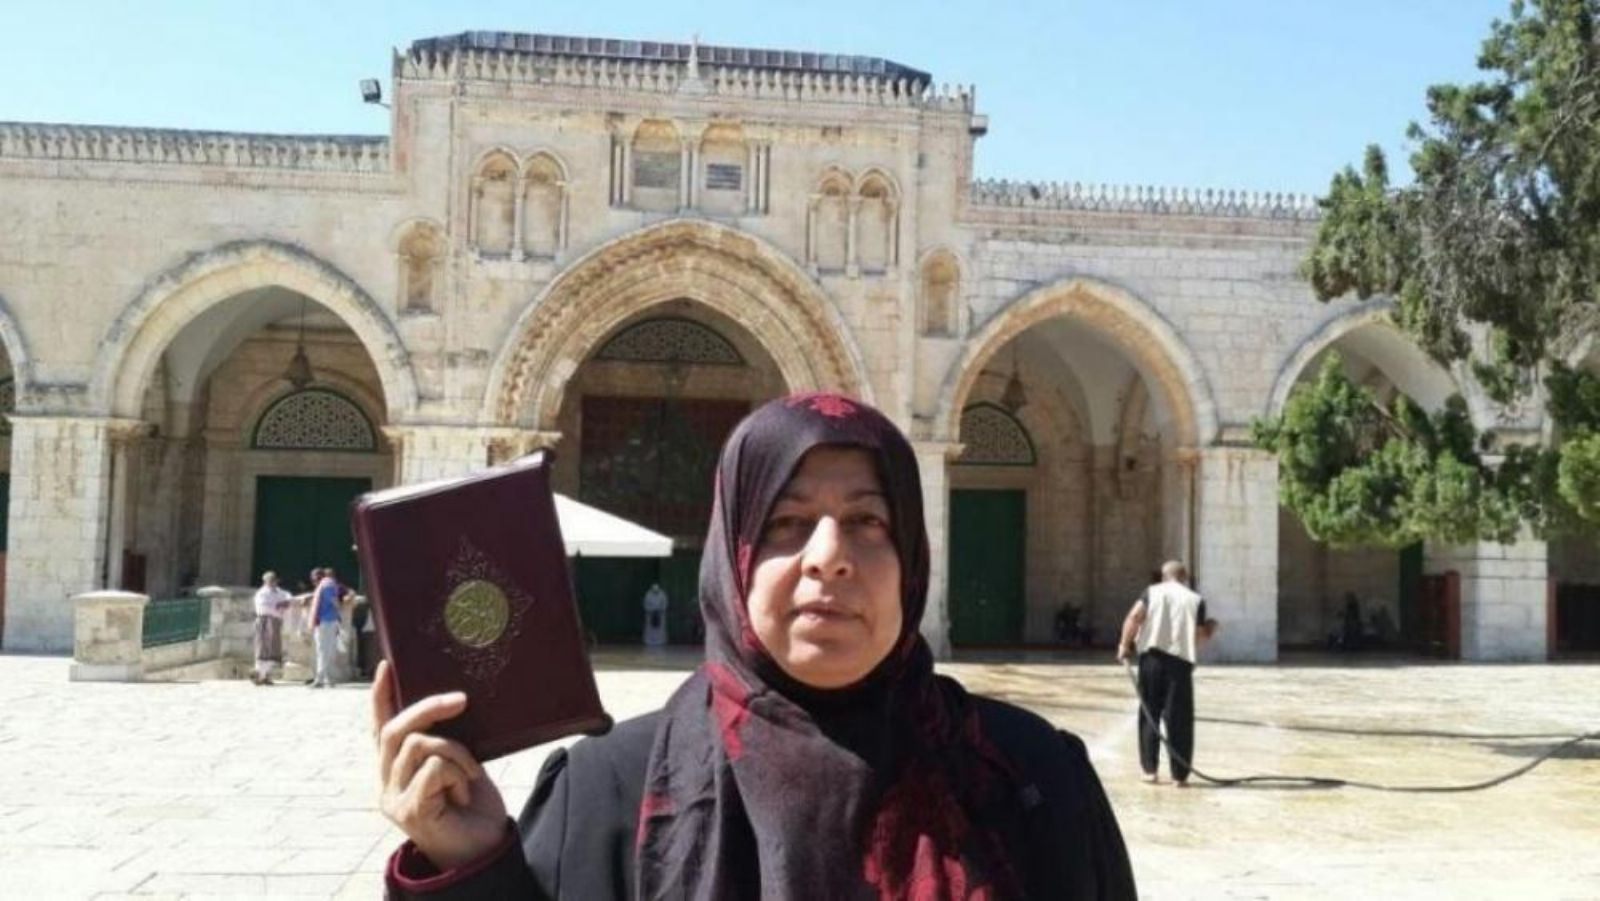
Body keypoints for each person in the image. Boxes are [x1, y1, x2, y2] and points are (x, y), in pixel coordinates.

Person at [373, 393, 1136, 899]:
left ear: (911, 557)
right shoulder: (608, 792)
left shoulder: (1032, 779)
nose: (828, 557)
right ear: (730, 560)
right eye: (785, 523)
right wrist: (467, 863)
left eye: (868, 522)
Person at [1117, 560, 1217, 787]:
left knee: (1149, 713)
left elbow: (1134, 617)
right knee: (1179, 719)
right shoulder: (1195, 600)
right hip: (1180, 664)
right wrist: (1212, 628)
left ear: (1163, 576)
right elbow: (1199, 636)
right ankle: (1179, 776)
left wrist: (1124, 645)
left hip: (1151, 660)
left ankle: (1149, 771)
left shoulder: (1151, 592)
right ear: (1185, 577)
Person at [250, 570, 292, 685]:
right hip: (265, 621)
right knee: (263, 648)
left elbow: (288, 596)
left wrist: (286, 602)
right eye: (271, 580)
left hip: (275, 622)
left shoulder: (278, 591)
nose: (273, 582)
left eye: (274, 580)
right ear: (266, 581)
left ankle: (266, 675)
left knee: (272, 649)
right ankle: (259, 674)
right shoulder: (262, 593)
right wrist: (278, 606)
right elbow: (264, 607)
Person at [308, 566, 344, 688]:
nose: (313, 581)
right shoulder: (328, 584)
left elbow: (334, 601)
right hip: (327, 621)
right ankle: (328, 678)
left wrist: (338, 612)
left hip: (326, 621)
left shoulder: (326, 585)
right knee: (327, 650)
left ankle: (320, 679)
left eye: (314, 578)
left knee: (323, 650)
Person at [641, 582, 668, 648]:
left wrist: (660, 610)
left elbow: (664, 603)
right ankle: (649, 641)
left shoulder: (662, 594)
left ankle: (660, 641)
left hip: (660, 614)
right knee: (650, 629)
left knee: (660, 628)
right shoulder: (648, 594)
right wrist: (651, 610)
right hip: (650, 614)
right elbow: (646, 604)